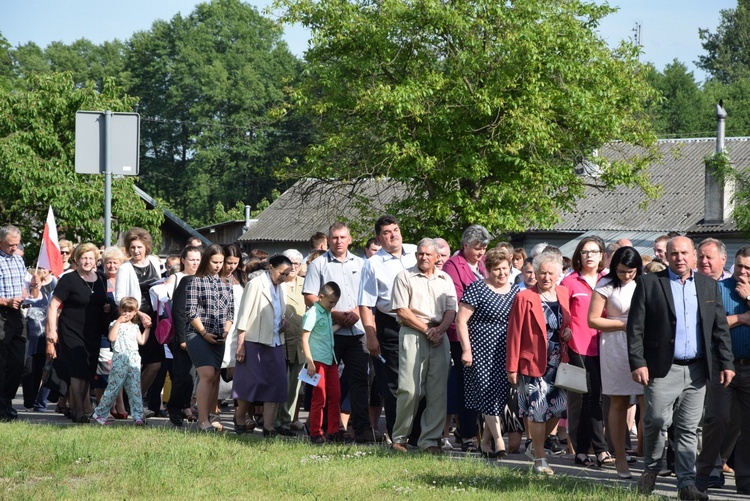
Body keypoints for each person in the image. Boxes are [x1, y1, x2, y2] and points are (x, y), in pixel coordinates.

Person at [627, 236, 734, 500]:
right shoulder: (650, 283)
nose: (679, 258)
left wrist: (726, 363)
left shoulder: (708, 285)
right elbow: (635, 327)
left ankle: (686, 484)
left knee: (688, 428)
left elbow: (719, 327)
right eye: (674, 253)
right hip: (663, 369)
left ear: (694, 256)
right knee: (657, 421)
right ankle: (651, 470)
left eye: (685, 253)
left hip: (697, 369)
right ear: (667, 256)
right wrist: (638, 362)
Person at [304, 222, 376, 442]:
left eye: (343, 237)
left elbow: (369, 295)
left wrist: (355, 311)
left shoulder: (362, 263)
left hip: (356, 331)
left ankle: (362, 429)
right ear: (328, 239)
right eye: (334, 238)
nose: (338, 242)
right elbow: (309, 296)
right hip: (328, 333)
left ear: (350, 239)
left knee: (359, 382)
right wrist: (334, 313)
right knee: (324, 387)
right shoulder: (319, 264)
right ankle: (325, 429)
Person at [506, 251, 572, 476]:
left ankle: (535, 446)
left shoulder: (563, 293)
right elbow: (514, 333)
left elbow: (566, 322)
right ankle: (540, 460)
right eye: (541, 272)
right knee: (537, 410)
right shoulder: (524, 297)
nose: (545, 277)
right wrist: (512, 367)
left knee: (559, 408)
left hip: (558, 361)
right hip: (533, 362)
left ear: (558, 274)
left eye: (550, 273)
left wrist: (567, 332)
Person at [390, 238, 457, 453]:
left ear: (438, 257)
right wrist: (427, 330)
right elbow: (402, 310)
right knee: (409, 389)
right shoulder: (404, 276)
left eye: (429, 254)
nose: (424, 257)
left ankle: (430, 441)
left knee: (437, 391)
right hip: (413, 333)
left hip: (439, 334)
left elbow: (451, 310)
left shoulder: (445, 279)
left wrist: (440, 330)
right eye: (420, 253)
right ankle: (400, 438)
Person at [696, 246, 750, 496]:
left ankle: (745, 479)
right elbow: (710, 324)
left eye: (748, 268)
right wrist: (741, 318)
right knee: (716, 419)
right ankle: (705, 474)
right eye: (739, 266)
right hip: (723, 367)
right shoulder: (720, 289)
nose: (742, 272)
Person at [587, 246, 645, 479]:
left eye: (631, 271)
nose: (626, 276)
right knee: (619, 402)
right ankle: (620, 458)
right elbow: (592, 320)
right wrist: (624, 324)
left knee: (648, 403)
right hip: (614, 346)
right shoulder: (605, 286)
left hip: (641, 347)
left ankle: (651, 457)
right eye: (622, 271)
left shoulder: (644, 283)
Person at [456, 248, 519, 458]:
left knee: (500, 394)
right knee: (487, 392)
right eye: (496, 269)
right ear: (488, 269)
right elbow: (461, 320)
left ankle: (484, 443)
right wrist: (466, 350)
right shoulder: (477, 288)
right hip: (480, 350)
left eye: (505, 268)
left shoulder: (516, 291)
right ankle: (499, 441)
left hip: (506, 349)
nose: (501, 273)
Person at [358, 214, 417, 439]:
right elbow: (365, 304)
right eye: (387, 233)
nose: (393, 235)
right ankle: (397, 435)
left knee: (417, 382)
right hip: (390, 325)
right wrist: (371, 337)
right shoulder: (373, 264)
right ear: (379, 238)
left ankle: (418, 434)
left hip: (419, 323)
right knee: (395, 384)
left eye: (396, 230)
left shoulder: (415, 252)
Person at [46, 243, 110, 423]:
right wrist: (52, 330)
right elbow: (53, 305)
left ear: (96, 260)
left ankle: (78, 408)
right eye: (84, 258)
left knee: (88, 371)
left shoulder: (101, 279)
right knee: (78, 368)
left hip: (93, 331)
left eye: (91, 258)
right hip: (71, 330)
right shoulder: (68, 279)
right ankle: (79, 412)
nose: (87, 261)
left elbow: (103, 303)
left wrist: (106, 307)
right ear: (76, 259)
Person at [560, 236, 610, 464]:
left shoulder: (608, 280)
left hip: (604, 347)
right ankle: (600, 449)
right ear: (578, 256)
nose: (589, 255)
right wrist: (565, 330)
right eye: (585, 252)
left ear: (602, 256)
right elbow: (561, 314)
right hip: (578, 347)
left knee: (593, 398)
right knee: (591, 398)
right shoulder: (569, 282)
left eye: (594, 251)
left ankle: (581, 450)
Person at [233, 254, 293, 437]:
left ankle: (268, 427)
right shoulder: (256, 284)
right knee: (251, 384)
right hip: (254, 341)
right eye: (282, 273)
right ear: (271, 267)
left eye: (287, 274)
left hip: (275, 341)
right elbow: (243, 315)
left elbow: (277, 312)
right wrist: (241, 345)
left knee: (275, 384)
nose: (284, 277)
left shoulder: (280, 288)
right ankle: (240, 417)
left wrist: (282, 322)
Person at [442, 224, 489, 452]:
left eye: (484, 248)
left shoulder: (483, 266)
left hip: (483, 334)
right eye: (477, 248)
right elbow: (459, 300)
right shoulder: (453, 266)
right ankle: (468, 433)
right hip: (461, 335)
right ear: (465, 245)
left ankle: (472, 432)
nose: (481, 253)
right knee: (466, 385)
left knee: (481, 385)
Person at [184, 244, 234, 432]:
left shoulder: (227, 283)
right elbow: (191, 311)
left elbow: (231, 311)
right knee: (206, 375)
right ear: (207, 260)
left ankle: (211, 416)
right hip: (197, 334)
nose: (219, 266)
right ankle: (202, 420)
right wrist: (204, 333)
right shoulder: (195, 281)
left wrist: (226, 332)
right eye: (215, 262)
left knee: (214, 377)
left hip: (219, 335)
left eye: (221, 262)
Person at [114, 227, 164, 410]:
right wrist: (138, 313)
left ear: (146, 247)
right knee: (133, 365)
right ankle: (128, 403)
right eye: (133, 247)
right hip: (134, 321)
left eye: (139, 247)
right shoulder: (125, 268)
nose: (136, 250)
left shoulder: (154, 262)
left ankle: (135, 398)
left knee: (155, 365)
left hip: (154, 319)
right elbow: (118, 299)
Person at [92, 297, 150, 425]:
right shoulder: (114, 324)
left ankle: (138, 416)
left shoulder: (135, 327)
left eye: (130, 311)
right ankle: (100, 413)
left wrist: (147, 328)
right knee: (113, 387)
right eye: (124, 311)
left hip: (134, 358)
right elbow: (111, 338)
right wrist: (118, 321)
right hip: (120, 357)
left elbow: (142, 341)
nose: (127, 314)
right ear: (120, 310)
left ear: (135, 312)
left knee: (134, 388)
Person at [165, 245, 202, 427]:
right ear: (183, 261)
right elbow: (178, 312)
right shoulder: (183, 280)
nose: (195, 263)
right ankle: (174, 408)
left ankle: (185, 406)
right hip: (184, 336)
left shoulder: (203, 279)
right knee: (182, 376)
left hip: (200, 336)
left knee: (192, 376)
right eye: (191, 259)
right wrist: (182, 339)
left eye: (198, 259)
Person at [302, 282, 342, 443]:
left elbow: (326, 331)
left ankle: (333, 431)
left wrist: (340, 324)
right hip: (317, 360)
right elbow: (305, 338)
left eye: (335, 303)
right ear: (321, 297)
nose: (333, 305)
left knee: (335, 395)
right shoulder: (312, 313)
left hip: (330, 359)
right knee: (320, 397)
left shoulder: (326, 312)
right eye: (331, 302)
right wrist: (309, 362)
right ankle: (315, 432)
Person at [274, 249, 306, 435]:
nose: (293, 266)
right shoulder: (277, 284)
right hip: (280, 340)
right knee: (279, 382)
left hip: (300, 343)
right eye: (290, 262)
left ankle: (286, 422)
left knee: (294, 385)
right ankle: (274, 420)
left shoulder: (306, 284)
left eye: (297, 263)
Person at [0, 225, 27, 421]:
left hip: (17, 315)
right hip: (1, 313)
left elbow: (22, 287)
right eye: (10, 245)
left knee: (18, 362)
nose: (14, 248)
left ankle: (7, 400)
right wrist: (5, 301)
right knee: (1, 363)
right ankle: (2, 406)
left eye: (16, 244)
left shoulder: (19, 259)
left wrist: (28, 290)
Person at [21, 266, 56, 412]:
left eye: (39, 281)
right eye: (32, 281)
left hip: (42, 341)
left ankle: (36, 400)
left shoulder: (47, 298)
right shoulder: (23, 299)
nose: (35, 283)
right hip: (27, 342)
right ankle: (29, 401)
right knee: (28, 372)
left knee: (40, 372)